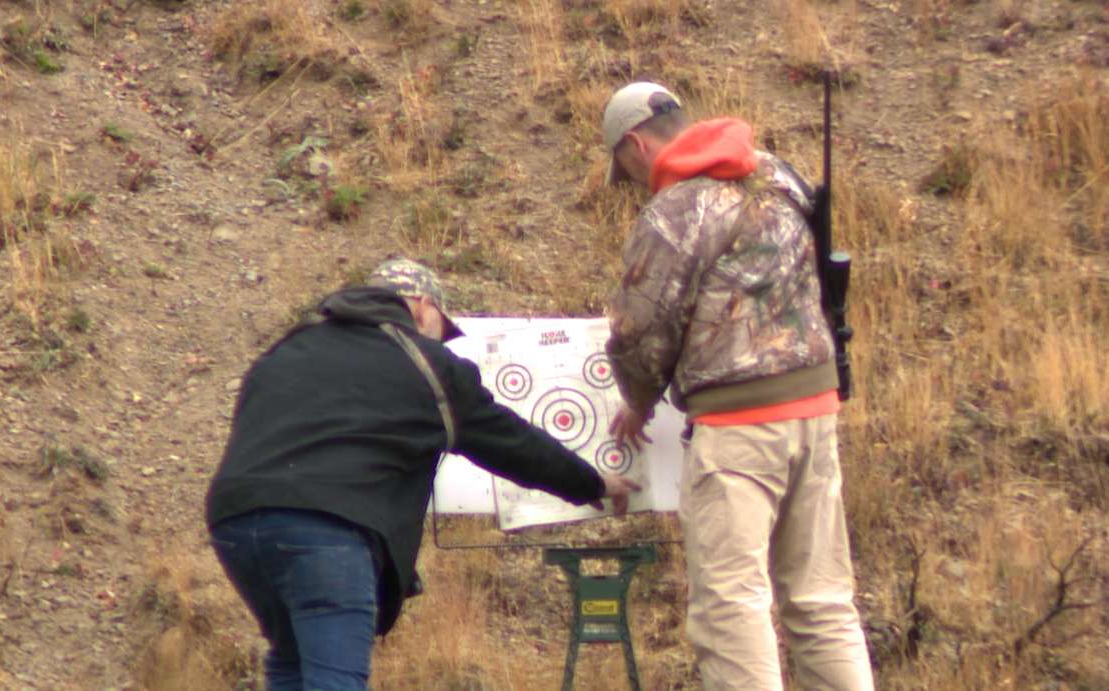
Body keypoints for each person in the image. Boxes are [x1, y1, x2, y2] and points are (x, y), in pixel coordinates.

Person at [205, 258, 641, 691]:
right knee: (334, 680)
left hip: (237, 525)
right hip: (328, 530)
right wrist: (593, 483)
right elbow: (511, 444)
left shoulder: (290, 347)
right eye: (442, 327)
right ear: (421, 305)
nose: (442, 340)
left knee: (291, 662)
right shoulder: (423, 361)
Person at [600, 82, 875, 690]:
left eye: (624, 169)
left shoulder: (676, 210)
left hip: (739, 427)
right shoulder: (779, 175)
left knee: (731, 605)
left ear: (636, 145)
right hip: (817, 409)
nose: (634, 185)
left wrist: (638, 401)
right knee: (822, 600)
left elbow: (637, 332)